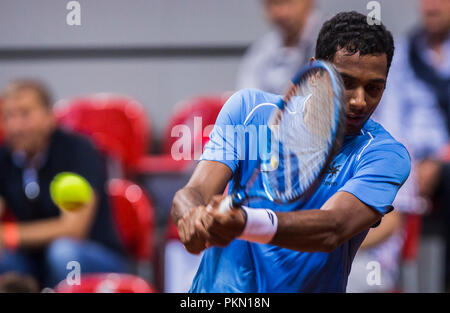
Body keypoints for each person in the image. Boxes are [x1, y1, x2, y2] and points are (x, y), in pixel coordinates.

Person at [171, 11, 411, 293]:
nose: (360, 101)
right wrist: (191, 217)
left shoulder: (384, 155)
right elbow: (194, 191)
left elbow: (331, 227)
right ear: (316, 73)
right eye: (346, 83)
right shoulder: (249, 111)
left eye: (373, 88)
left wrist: (245, 223)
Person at [0, 79, 128, 289]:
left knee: (63, 253)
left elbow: (73, 229)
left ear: (49, 116)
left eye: (24, 114)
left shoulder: (79, 151)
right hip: (34, 261)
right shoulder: (4, 157)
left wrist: (9, 235)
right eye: (8, 116)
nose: (16, 126)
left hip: (94, 256)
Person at [372, 0, 450, 291]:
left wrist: (441, 159)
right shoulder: (404, 54)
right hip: (412, 159)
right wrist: (409, 164)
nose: (432, 7)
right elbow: (391, 117)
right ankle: (385, 277)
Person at [236, 0, 322, 95]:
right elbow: (248, 99)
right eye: (272, 4)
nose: (281, 13)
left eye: (288, 2)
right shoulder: (260, 51)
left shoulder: (331, 43)